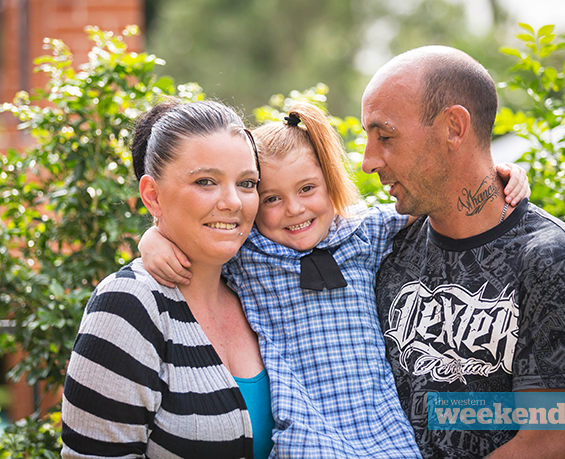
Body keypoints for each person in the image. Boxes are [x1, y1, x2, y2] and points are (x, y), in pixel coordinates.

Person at [139, 101, 529, 458]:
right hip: (307, 442)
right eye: (271, 198)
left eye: (307, 189)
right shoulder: (249, 253)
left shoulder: (361, 233)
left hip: (387, 440)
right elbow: (200, 234)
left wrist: (497, 176)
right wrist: (153, 238)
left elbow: (433, 199)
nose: (294, 209)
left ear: (329, 181)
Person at [360, 45, 565, 459]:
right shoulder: (382, 247)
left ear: (455, 127)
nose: (368, 161)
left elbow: (553, 439)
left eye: (385, 137)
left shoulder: (558, 262)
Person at [61, 99, 273, 459]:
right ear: (152, 195)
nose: (233, 201)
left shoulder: (260, 286)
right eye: (206, 182)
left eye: (247, 183)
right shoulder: (128, 305)